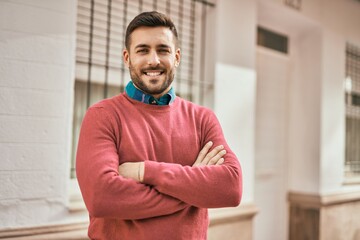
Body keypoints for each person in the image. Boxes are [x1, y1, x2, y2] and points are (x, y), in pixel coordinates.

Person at [76, 11, 242, 240]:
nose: (153, 60)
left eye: (162, 50)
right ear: (127, 57)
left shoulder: (203, 119)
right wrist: (193, 185)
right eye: (143, 50)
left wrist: (143, 170)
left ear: (177, 57)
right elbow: (101, 198)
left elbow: (230, 188)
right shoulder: (103, 116)